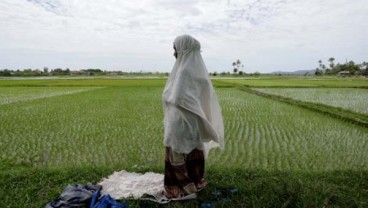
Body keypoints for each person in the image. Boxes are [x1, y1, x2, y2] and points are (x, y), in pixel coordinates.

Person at [162, 34, 224, 199]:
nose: (174, 53)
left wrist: (166, 95)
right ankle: (195, 181)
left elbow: (178, 97)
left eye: (175, 49)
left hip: (180, 122)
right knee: (193, 149)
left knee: (177, 151)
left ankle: (179, 185)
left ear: (183, 49)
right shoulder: (198, 71)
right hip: (194, 120)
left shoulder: (183, 71)